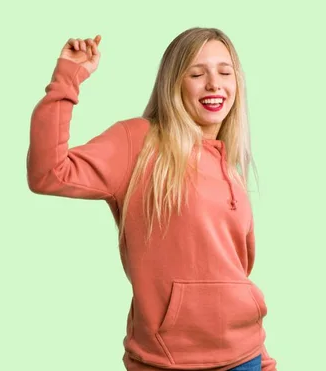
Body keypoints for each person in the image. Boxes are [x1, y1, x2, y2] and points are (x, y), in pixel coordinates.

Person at [26, 27, 277, 371]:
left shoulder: (230, 167)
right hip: (166, 361)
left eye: (224, 71)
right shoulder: (138, 143)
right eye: (197, 73)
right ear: (174, 82)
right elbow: (48, 173)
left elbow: (235, 274)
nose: (214, 84)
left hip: (245, 358)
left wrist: (263, 360)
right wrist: (68, 78)